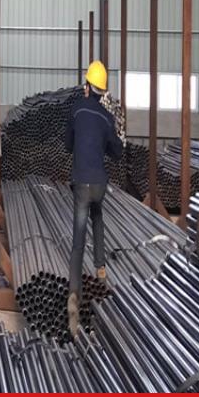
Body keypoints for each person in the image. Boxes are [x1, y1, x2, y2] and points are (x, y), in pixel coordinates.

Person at [64, 60, 124, 338]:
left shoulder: (76, 109)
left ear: (87, 86)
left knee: (78, 242)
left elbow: (68, 144)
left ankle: (73, 295)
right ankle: (101, 268)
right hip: (99, 184)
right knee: (97, 215)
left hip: (81, 183)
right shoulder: (106, 117)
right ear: (103, 91)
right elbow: (117, 152)